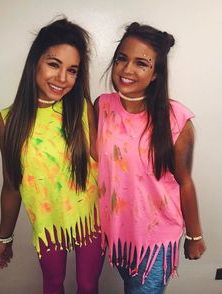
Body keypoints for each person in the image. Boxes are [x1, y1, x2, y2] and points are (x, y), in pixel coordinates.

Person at [0, 17, 104, 294]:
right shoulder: (7, 121)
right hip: (48, 225)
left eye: (72, 70)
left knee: (88, 285)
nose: (62, 78)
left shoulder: (81, 108)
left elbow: (105, 164)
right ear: (35, 62)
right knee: (52, 284)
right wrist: (4, 237)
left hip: (89, 219)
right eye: (54, 64)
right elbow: (11, 185)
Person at [95, 22, 206, 293]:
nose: (127, 69)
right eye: (122, 58)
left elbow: (185, 182)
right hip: (118, 233)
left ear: (156, 73)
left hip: (156, 240)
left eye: (141, 63)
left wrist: (194, 236)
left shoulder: (176, 120)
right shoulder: (102, 106)